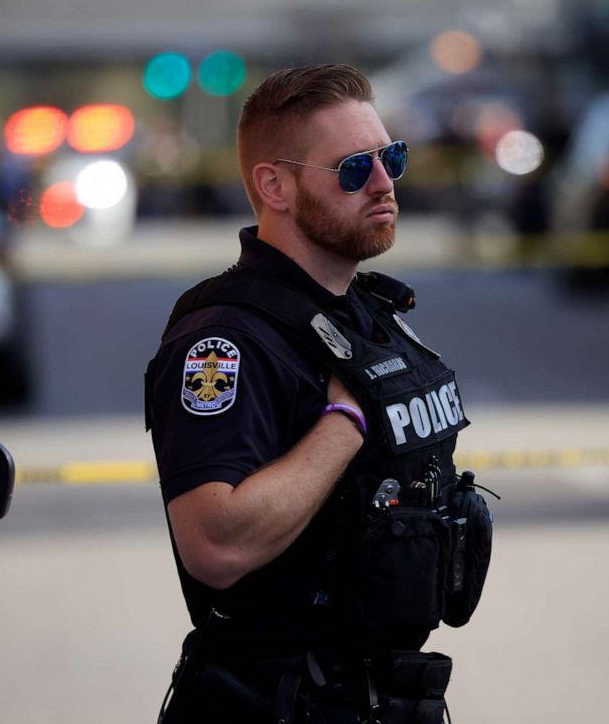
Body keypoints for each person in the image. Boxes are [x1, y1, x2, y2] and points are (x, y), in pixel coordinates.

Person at [145, 64, 493, 724]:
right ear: (275, 184)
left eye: (391, 157)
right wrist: (345, 419)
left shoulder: (366, 314)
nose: (386, 182)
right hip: (273, 704)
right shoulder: (225, 339)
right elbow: (213, 545)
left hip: (381, 695)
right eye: (355, 168)